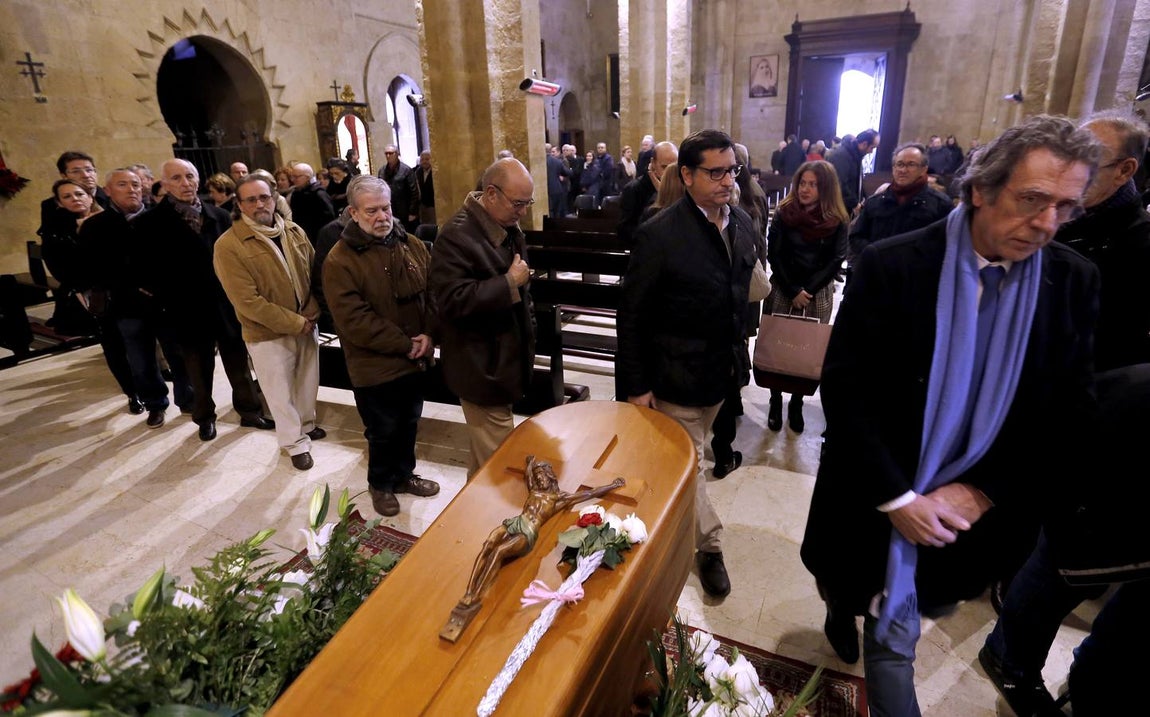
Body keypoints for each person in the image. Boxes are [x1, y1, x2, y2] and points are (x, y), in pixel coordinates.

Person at [800, 114, 1102, 716]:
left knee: (909, 618)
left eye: (1065, 207)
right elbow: (847, 388)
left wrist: (983, 492)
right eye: (1032, 199)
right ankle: (841, 602)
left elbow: (1065, 409)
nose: (1046, 224)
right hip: (876, 485)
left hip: (971, 504)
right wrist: (897, 498)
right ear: (979, 190)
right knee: (852, 583)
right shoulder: (893, 265)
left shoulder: (1072, 280)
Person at [978, 111, 1150, 716]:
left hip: (1083, 406)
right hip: (1037, 395)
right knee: (1046, 532)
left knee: (1061, 525)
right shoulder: (1069, 222)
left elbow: (1117, 340)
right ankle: (1008, 627)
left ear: (1125, 169)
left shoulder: (1132, 240)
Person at [617, 129, 756, 598]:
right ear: (688, 175)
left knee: (685, 464)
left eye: (730, 170)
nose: (725, 181)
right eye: (714, 172)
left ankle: (672, 525)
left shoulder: (738, 221)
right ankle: (710, 546)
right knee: (690, 464)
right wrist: (637, 385)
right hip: (675, 374)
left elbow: (741, 295)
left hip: (721, 373)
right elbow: (631, 315)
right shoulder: (659, 234)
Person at [321, 175, 440, 510]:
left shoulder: (411, 244)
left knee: (409, 422)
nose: (381, 216)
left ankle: (404, 475)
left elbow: (433, 293)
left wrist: (429, 334)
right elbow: (354, 320)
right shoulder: (340, 260)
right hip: (373, 365)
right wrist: (406, 343)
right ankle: (381, 483)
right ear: (353, 213)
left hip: (415, 356)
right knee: (382, 429)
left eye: (385, 208)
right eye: (371, 210)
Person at [133, 159, 274, 435]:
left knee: (238, 363)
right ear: (165, 184)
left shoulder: (220, 216)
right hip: (185, 308)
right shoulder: (149, 223)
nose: (185, 183)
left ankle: (249, 410)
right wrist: (165, 300)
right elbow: (143, 268)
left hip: (224, 304)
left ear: (198, 179)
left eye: (189, 176)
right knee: (198, 369)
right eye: (176, 178)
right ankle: (205, 416)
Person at [428, 158, 535, 476]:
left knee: (486, 459)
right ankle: (497, 522)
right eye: (518, 203)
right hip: (480, 367)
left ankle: (468, 518)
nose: (523, 211)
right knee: (503, 465)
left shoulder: (506, 226)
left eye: (527, 203)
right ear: (491, 194)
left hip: (502, 361)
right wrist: (509, 283)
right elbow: (450, 302)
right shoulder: (456, 236)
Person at [213, 174, 324, 469]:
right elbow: (247, 301)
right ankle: (293, 442)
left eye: (264, 197)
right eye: (251, 199)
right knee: (279, 391)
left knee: (306, 381)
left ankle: (307, 424)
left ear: (274, 198)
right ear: (239, 205)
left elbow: (315, 272)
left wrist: (312, 311)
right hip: (267, 333)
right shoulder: (230, 245)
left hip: (307, 322)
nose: (260, 204)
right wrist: (294, 322)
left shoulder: (293, 230)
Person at [458, 457, 625, 609]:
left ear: (550, 475)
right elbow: (528, 475)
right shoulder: (534, 490)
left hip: (528, 531)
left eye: (542, 474)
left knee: (499, 552)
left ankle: (476, 595)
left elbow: (588, 493)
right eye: (537, 475)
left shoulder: (558, 499)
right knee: (488, 545)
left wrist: (613, 485)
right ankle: (468, 590)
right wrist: (530, 462)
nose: (539, 478)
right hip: (514, 522)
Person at [764, 160, 848, 434]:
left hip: (816, 291)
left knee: (805, 350)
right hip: (784, 287)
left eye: (812, 184)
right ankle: (775, 400)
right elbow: (773, 253)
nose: (805, 189)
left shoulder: (836, 219)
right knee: (779, 346)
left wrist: (808, 290)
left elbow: (836, 259)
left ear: (825, 188)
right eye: (802, 183)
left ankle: (797, 402)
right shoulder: (784, 213)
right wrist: (792, 290)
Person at [848, 143, 953, 273]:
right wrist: (876, 254)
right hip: (876, 274)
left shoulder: (940, 204)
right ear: (893, 168)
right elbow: (856, 237)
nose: (903, 170)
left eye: (911, 165)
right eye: (900, 164)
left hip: (914, 280)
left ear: (923, 169)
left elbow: (945, 247)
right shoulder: (876, 202)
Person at [40, 178, 103, 336]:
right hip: (82, 291)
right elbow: (59, 268)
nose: (75, 198)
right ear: (59, 203)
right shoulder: (56, 232)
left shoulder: (108, 220)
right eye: (67, 196)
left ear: (90, 197)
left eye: (79, 194)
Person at [618, 141, 677, 245]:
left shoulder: (682, 186)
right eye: (664, 167)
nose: (669, 173)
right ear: (653, 163)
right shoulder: (634, 189)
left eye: (674, 167)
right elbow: (625, 230)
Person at [826, 129, 879, 214]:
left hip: (848, 207)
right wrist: (854, 203)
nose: (871, 151)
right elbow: (839, 183)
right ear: (864, 144)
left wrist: (863, 199)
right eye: (872, 147)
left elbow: (856, 182)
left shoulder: (856, 155)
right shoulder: (841, 156)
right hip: (837, 209)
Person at [288, 162, 336, 243]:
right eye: (292, 177)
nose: (293, 180)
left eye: (296, 177)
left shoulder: (319, 194)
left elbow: (330, 219)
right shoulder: (295, 194)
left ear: (307, 177)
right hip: (303, 238)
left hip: (320, 238)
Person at [377, 144, 419, 233]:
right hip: (389, 209)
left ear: (396, 154)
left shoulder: (406, 170)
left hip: (404, 210)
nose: (388, 156)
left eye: (391, 153)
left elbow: (414, 192)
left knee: (406, 233)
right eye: (386, 153)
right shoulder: (382, 171)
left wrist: (412, 212)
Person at [545, 143, 571, 219]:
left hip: (544, 190)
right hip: (556, 189)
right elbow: (568, 173)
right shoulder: (557, 161)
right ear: (550, 150)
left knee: (549, 212)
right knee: (556, 212)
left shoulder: (539, 162)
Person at [414, 149, 435, 226]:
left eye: (427, 159)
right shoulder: (417, 172)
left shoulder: (436, 172)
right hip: (422, 206)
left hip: (433, 206)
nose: (424, 161)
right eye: (422, 159)